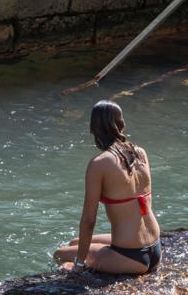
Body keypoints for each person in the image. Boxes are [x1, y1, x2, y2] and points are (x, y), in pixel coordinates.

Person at [53, 100, 162, 275]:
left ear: (93, 129)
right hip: (155, 248)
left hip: (130, 256)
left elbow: (89, 221)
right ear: (122, 124)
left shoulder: (99, 164)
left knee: (60, 254)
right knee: (75, 242)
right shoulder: (140, 153)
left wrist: (79, 266)